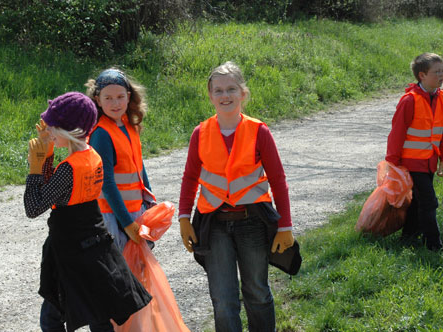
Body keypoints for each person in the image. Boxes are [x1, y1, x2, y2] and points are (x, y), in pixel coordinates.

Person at [178, 61, 294, 332]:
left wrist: (285, 226)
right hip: (214, 225)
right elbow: (189, 178)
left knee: (257, 292)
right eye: (218, 90)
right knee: (223, 298)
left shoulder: (259, 131)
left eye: (231, 89)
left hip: (252, 222)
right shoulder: (200, 132)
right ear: (210, 96)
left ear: (243, 93)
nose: (225, 95)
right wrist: (183, 217)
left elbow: (278, 180)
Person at [24, 92, 151, 332]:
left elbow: (33, 207)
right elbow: (58, 193)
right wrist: (48, 153)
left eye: (52, 126)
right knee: (99, 316)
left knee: (51, 319)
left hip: (69, 251)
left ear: (68, 129)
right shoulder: (92, 156)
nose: (47, 130)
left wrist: (35, 168)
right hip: (94, 249)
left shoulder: (68, 168)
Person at [86, 68, 156, 251]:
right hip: (113, 218)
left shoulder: (129, 125)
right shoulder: (101, 134)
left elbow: (139, 168)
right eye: (108, 98)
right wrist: (127, 224)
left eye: (120, 96)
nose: (115, 103)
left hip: (134, 212)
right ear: (97, 100)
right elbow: (106, 183)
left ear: (128, 96)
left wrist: (149, 204)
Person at [386, 52, 443, 251]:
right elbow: (397, 133)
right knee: (429, 202)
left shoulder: (440, 98)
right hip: (411, 163)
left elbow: (440, 132)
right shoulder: (409, 101)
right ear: (422, 75)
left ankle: (409, 237)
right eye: (437, 72)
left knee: (418, 200)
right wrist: (392, 163)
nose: (441, 75)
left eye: (442, 71)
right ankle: (434, 245)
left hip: (429, 162)